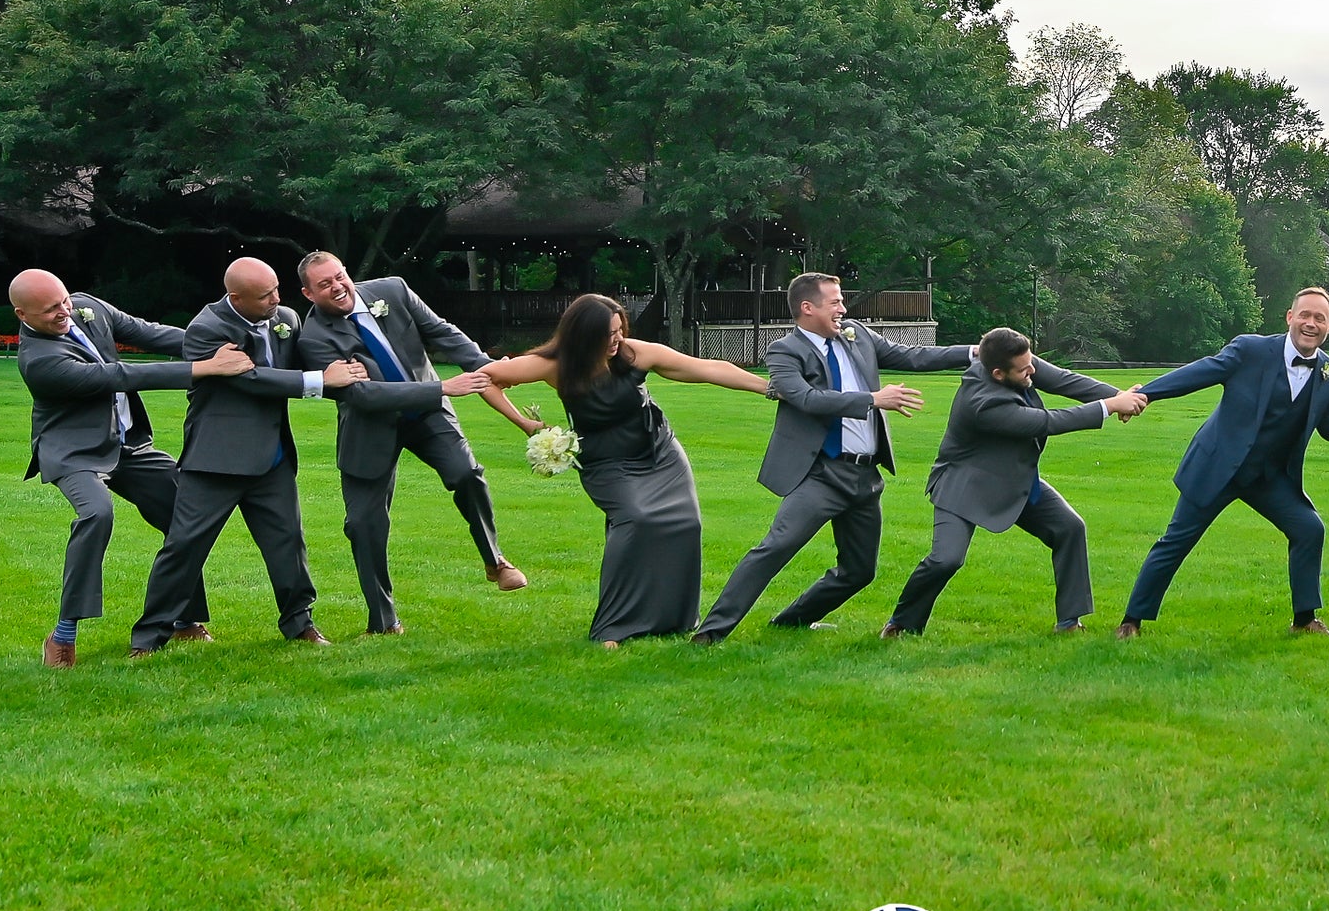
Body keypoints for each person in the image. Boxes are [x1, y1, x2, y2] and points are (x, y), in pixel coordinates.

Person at [693, 272, 974, 643]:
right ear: (807, 308)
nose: (843, 308)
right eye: (835, 302)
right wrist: (873, 399)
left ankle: (792, 621)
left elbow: (913, 356)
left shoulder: (857, 335)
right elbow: (806, 399)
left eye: (842, 301)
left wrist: (973, 352)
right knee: (774, 549)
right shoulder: (784, 351)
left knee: (859, 571)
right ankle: (710, 633)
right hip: (820, 475)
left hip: (865, 477)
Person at [482, 294, 771, 647]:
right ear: (583, 335)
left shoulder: (634, 353)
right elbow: (487, 379)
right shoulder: (555, 365)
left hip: (659, 452)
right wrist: (526, 424)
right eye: (608, 334)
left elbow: (707, 369)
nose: (616, 340)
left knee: (686, 523)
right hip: (607, 463)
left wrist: (768, 387)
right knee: (635, 521)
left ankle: (674, 620)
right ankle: (614, 628)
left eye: (620, 330)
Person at [130, 258, 373, 655]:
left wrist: (335, 364)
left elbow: (304, 358)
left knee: (288, 544)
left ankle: (300, 624)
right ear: (235, 297)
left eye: (277, 289)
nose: (276, 300)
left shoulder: (287, 318)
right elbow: (249, 380)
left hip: (272, 459)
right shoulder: (207, 329)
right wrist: (318, 381)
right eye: (265, 296)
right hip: (215, 460)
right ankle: (149, 636)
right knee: (184, 547)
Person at [1117, 287, 1329, 640]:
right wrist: (1145, 394)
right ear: (1290, 317)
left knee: (1309, 529)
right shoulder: (1251, 350)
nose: (1310, 323)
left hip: (1269, 477)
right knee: (1176, 540)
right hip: (1219, 466)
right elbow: (1200, 373)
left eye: (1319, 318)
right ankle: (1131, 621)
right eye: (1304, 315)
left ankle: (1304, 620)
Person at [12, 269, 250, 667]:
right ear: (22, 314)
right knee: (96, 513)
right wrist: (204, 368)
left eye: (64, 300)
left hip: (128, 445)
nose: (65, 312)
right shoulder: (37, 360)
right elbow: (119, 375)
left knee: (187, 511)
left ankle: (183, 618)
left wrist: (216, 345)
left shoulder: (87, 307)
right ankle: (63, 634)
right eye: (51, 309)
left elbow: (149, 333)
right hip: (74, 450)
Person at [294, 251, 526, 636]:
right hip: (371, 426)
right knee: (363, 525)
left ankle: (495, 560)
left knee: (466, 474)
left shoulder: (393, 290)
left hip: (429, 415)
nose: (337, 287)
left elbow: (441, 332)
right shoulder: (314, 337)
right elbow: (363, 396)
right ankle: (383, 622)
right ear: (308, 293)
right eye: (324, 285)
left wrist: (486, 366)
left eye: (339, 276)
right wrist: (442, 387)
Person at [882, 328, 1146, 637]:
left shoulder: (1013, 360)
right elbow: (1047, 422)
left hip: (1015, 477)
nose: (1033, 370)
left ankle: (1069, 623)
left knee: (1069, 528)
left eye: (1031, 362)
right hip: (966, 484)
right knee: (946, 560)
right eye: (1025, 370)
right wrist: (1111, 407)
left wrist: (1120, 396)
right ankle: (900, 624)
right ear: (997, 373)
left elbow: (1062, 379)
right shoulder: (983, 402)